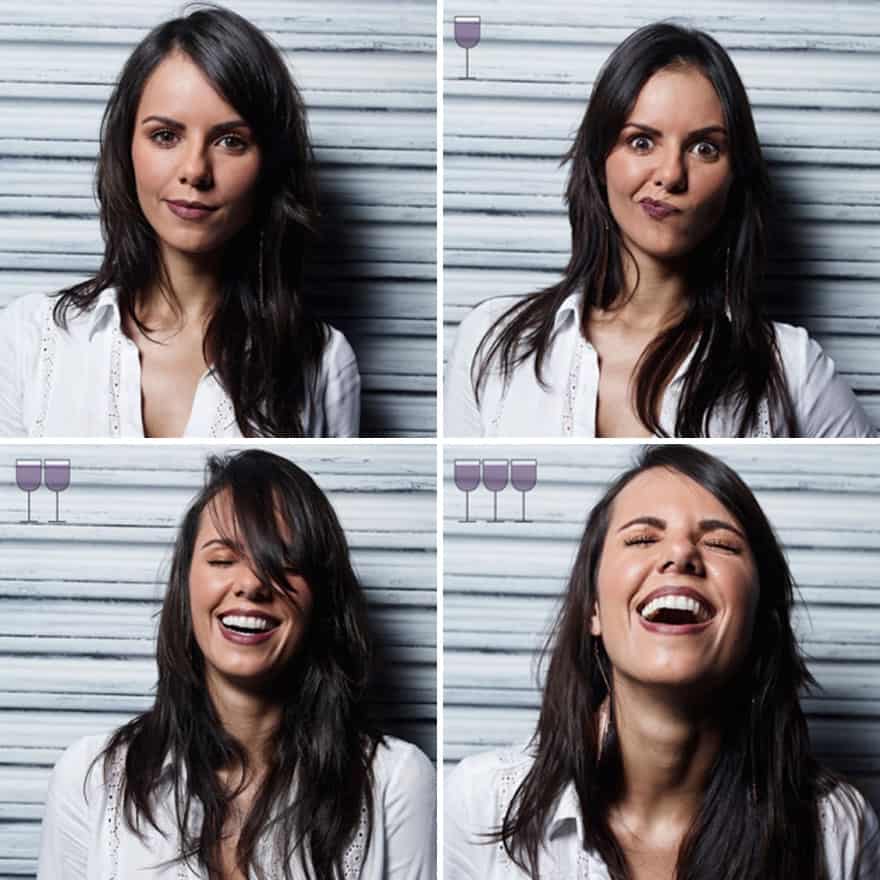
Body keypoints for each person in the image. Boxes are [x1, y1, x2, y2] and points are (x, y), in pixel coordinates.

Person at [445, 445, 880, 879]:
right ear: (594, 609)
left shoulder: (839, 830)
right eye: (641, 539)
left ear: (760, 620)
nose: (680, 555)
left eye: (720, 543)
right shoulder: (481, 805)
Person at [445, 23, 875, 437]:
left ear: (734, 178)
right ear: (599, 160)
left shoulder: (792, 367)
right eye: (642, 141)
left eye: (705, 148)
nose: (670, 174)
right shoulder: (491, 341)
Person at [38, 450, 435, 879]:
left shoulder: (395, 783)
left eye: (282, 564)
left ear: (320, 597)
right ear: (185, 585)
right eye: (222, 560)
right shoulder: (90, 777)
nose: (250, 584)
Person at [0, 6, 359, 437]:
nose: (195, 170)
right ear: (126, 149)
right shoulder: (29, 338)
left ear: (269, 165)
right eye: (165, 136)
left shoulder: (322, 363)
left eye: (231, 141)